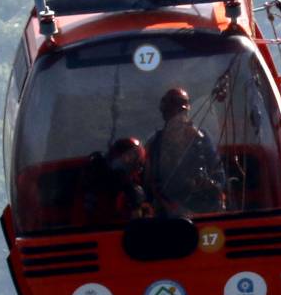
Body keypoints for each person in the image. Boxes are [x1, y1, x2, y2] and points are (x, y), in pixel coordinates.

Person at [145, 87, 227, 216]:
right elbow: (151, 182)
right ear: (166, 115)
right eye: (174, 114)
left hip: (203, 206)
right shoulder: (155, 143)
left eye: (181, 113)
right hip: (168, 212)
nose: (179, 118)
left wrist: (211, 185)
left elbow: (219, 173)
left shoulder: (201, 137)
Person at [80, 136, 151, 224]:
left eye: (130, 158)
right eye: (122, 155)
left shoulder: (133, 193)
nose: (124, 159)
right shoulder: (91, 177)